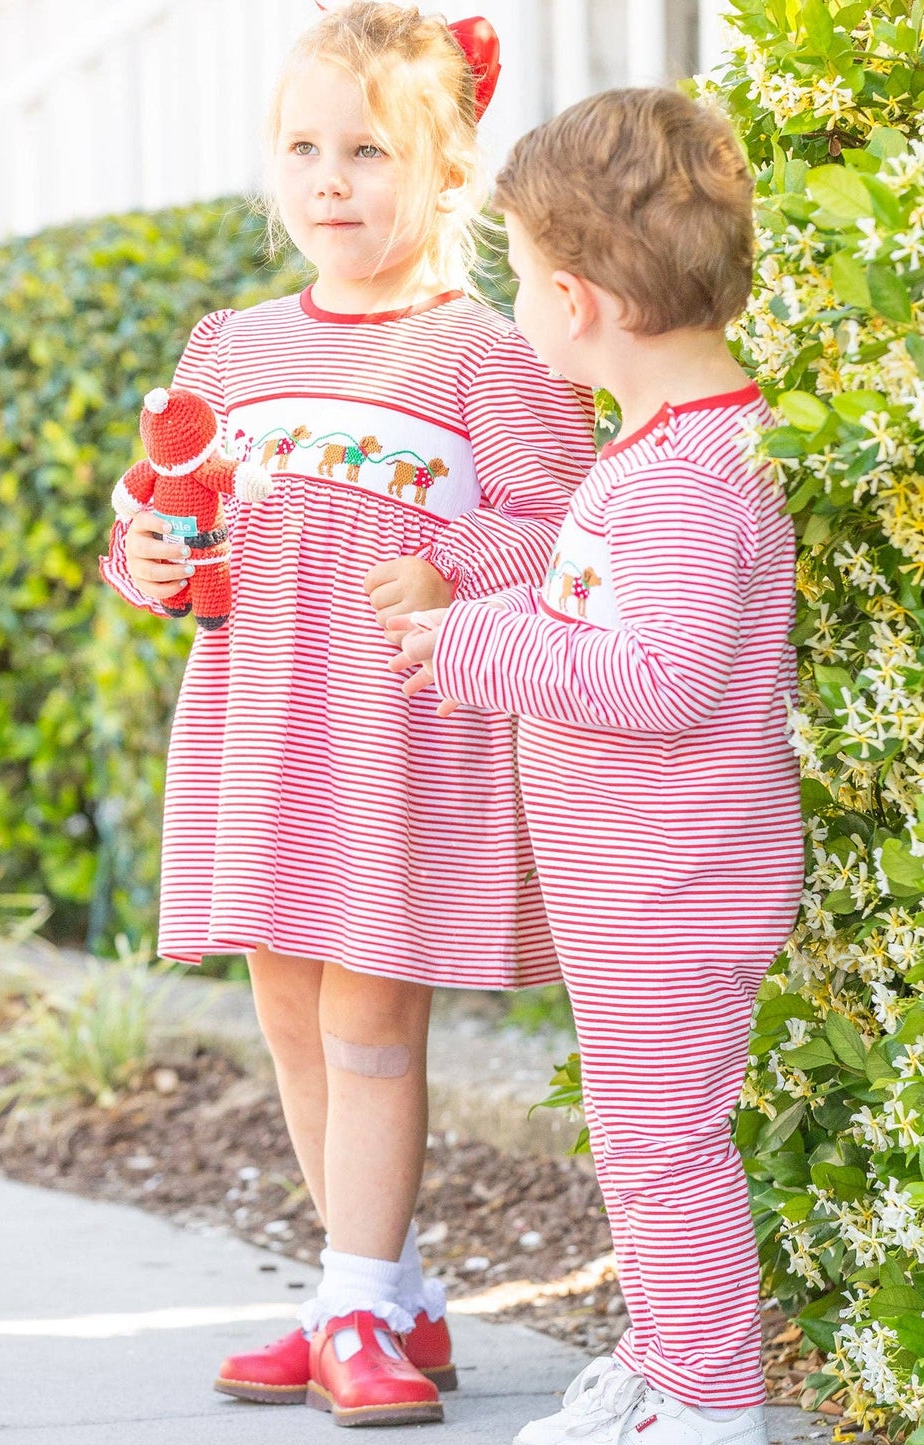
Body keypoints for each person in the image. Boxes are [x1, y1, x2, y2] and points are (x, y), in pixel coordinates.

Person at [99, 4, 595, 1427]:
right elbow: (162, 529)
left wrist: (454, 561)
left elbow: (569, 528)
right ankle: (373, 1291)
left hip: (396, 737)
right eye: (304, 147)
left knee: (372, 1023)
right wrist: (139, 559)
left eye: (368, 149)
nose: (330, 178)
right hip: (256, 730)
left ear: (446, 171)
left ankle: (361, 1300)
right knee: (293, 1019)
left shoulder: (481, 356)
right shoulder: (231, 349)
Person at [389, 87, 802, 1445]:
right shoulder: (668, 449)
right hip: (642, 874)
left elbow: (657, 673)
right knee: (644, 1136)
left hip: (669, 882)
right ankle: (664, 1355)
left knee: (664, 1141)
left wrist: (473, 651)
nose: (513, 309)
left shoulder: (681, 478)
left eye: (514, 277)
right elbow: (594, 583)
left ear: (579, 301)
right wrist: (474, 578)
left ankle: (709, 1398)